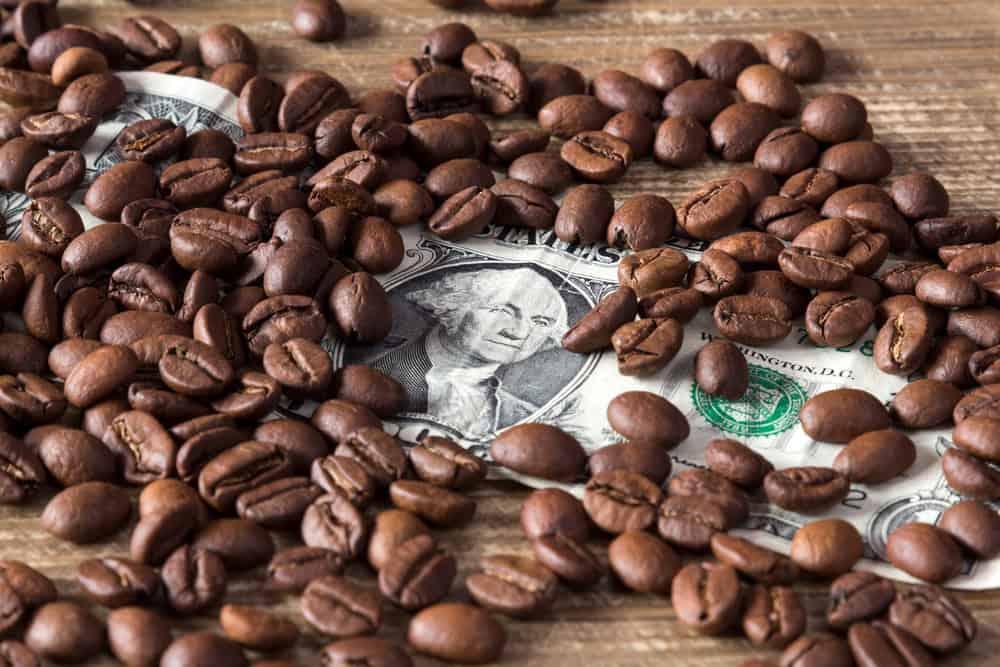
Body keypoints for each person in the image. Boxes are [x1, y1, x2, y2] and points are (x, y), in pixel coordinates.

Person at [368, 266, 570, 440]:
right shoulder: (374, 375)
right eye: (502, 310)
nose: (518, 332)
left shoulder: (525, 416)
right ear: (453, 306)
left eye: (540, 322)